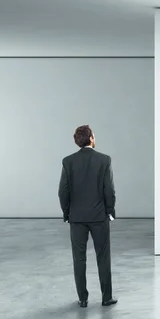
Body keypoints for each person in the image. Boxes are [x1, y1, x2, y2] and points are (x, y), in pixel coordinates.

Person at [58, 125, 118, 308]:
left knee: (79, 258)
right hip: (99, 216)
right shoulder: (104, 160)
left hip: (76, 218)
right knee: (103, 257)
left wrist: (67, 213)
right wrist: (110, 211)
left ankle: (82, 299)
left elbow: (63, 192)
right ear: (91, 138)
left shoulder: (68, 161)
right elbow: (109, 190)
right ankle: (106, 297)